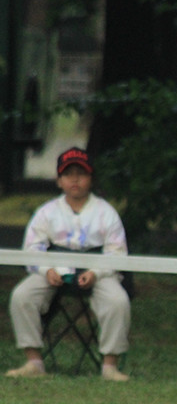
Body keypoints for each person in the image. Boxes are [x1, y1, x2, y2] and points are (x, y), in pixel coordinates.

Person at [6, 148, 131, 382]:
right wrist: (47, 270)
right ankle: (33, 361)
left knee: (118, 301)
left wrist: (95, 273)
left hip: (97, 271)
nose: (75, 180)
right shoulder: (46, 212)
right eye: (68, 174)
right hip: (54, 270)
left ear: (91, 179)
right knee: (22, 296)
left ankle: (110, 366)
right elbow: (32, 249)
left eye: (81, 174)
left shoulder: (106, 213)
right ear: (59, 180)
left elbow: (117, 252)